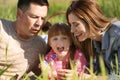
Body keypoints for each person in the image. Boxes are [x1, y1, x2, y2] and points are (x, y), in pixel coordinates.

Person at [66, 0, 120, 79]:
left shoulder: (117, 34)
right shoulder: (93, 40)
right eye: (70, 25)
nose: (72, 30)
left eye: (76, 24)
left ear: (90, 19)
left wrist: (88, 77)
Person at [0, 0, 48, 79]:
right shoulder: (1, 29)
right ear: (19, 13)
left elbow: (34, 76)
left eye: (43, 18)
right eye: (34, 17)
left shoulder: (40, 45)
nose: (39, 23)